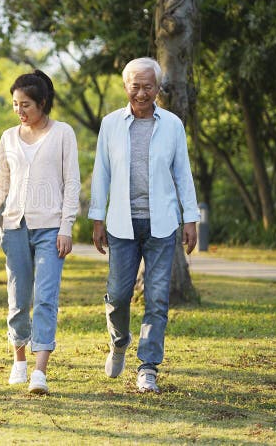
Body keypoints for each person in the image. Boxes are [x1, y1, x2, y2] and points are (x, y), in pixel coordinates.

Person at [88, 57, 200, 394]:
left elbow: (183, 173)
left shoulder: (172, 125)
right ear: (125, 87)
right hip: (122, 224)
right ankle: (119, 342)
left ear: (157, 88)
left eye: (147, 86)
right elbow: (102, 172)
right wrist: (97, 218)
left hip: (162, 224)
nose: (141, 92)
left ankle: (148, 366)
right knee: (119, 296)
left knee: (156, 298)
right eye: (135, 86)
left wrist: (190, 217)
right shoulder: (110, 124)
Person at [0, 70, 81, 395]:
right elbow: (1, 182)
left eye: (26, 104)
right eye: (15, 104)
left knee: (46, 298)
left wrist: (66, 226)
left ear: (42, 103)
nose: (20, 111)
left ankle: (40, 371)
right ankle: (19, 360)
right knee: (18, 299)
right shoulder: (9, 137)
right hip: (15, 227)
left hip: (51, 228)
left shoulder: (63, 133)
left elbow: (72, 184)